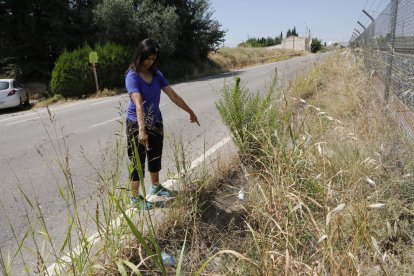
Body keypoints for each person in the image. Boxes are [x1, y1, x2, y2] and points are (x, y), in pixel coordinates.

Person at [125, 38, 200, 209]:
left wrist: (190, 111)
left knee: (155, 156)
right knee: (137, 160)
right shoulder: (132, 76)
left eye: (153, 59)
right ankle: (134, 197)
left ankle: (156, 186)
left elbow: (173, 95)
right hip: (136, 124)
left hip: (156, 121)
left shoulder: (157, 75)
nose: (149, 62)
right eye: (147, 58)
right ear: (140, 56)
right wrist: (141, 131)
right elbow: (138, 104)